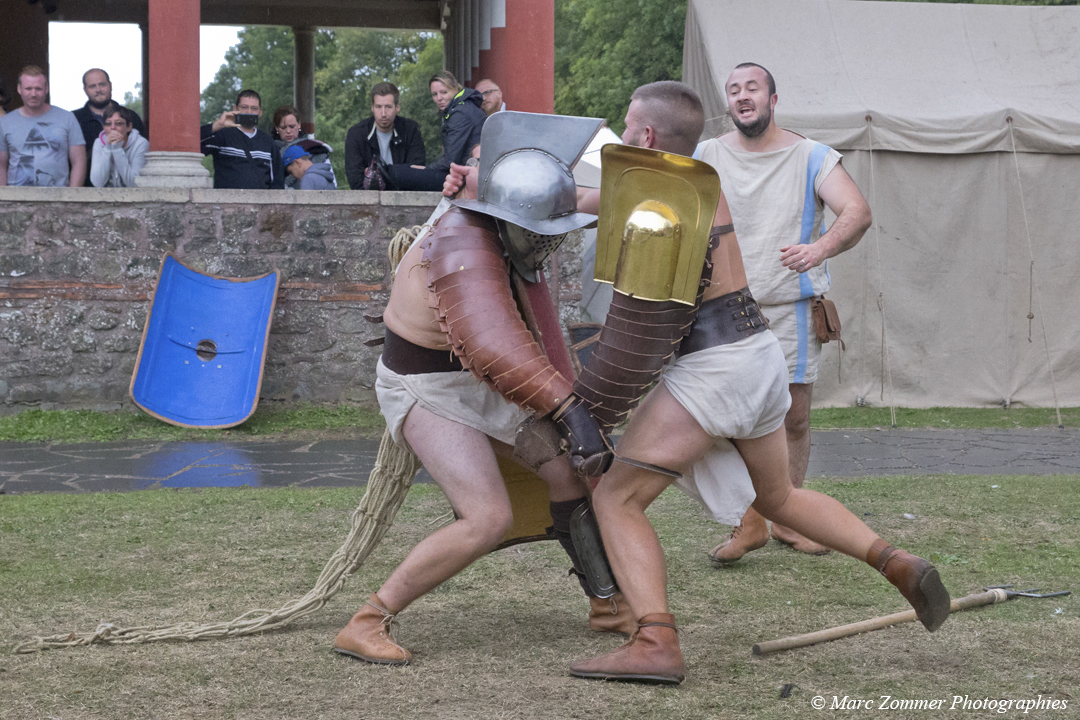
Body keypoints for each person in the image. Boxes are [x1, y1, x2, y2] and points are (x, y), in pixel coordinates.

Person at [557, 81, 949, 685]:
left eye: (629, 126)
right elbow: (585, 196)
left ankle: (655, 642)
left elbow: (578, 202)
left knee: (616, 497)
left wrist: (477, 183)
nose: (624, 134)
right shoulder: (700, 183)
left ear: (648, 136)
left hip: (716, 368)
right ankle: (894, 560)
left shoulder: (659, 189)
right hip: (758, 355)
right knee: (779, 498)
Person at [332, 112, 631, 667]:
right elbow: (498, 347)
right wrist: (574, 415)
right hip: (426, 387)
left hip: (478, 380)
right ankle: (368, 619)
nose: (546, 242)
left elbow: (571, 200)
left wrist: (645, 193)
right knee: (486, 517)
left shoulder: (490, 198)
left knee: (568, 475)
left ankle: (607, 603)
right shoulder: (461, 243)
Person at [699, 63, 873, 564]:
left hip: (788, 306)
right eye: (733, 91)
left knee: (793, 417)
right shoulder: (705, 154)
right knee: (729, 417)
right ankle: (749, 521)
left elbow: (856, 212)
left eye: (751, 88)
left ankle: (788, 521)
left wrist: (819, 249)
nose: (741, 96)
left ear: (773, 99)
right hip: (721, 307)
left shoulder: (812, 155)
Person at [382, 71, 485, 192]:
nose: (439, 98)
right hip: (464, 173)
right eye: (434, 94)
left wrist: (426, 169)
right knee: (404, 171)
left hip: (464, 178)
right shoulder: (464, 107)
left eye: (444, 92)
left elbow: (449, 161)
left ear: (455, 88)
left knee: (397, 174)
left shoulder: (460, 114)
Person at [0, 66, 85, 187]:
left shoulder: (67, 118)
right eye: (28, 88)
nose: (33, 94)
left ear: (46, 89)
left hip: (59, 198)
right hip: (16, 198)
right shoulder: (5, 122)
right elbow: (1, 166)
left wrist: (71, 198)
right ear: (19, 89)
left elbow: (79, 162)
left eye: (38, 89)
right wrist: (3, 200)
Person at [344, 82, 425, 190]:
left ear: (397, 108)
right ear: (372, 107)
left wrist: (375, 173)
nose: (383, 113)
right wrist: (401, 172)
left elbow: (417, 174)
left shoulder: (411, 130)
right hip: (368, 201)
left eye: (388, 107)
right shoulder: (356, 134)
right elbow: (355, 181)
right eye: (378, 107)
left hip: (404, 198)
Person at [74, 68, 147, 184]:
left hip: (130, 191)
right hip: (85, 191)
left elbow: (142, 157)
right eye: (92, 86)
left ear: (110, 85)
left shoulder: (131, 117)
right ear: (85, 90)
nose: (98, 90)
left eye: (102, 84)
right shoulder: (74, 119)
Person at [200, 89, 284, 190]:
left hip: (260, 204)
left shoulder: (268, 142)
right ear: (235, 108)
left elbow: (277, 181)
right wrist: (216, 125)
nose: (249, 112)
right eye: (244, 107)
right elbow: (190, 146)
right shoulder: (222, 135)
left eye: (254, 108)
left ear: (260, 112)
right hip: (227, 203)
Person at [272, 105, 337, 190]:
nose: (288, 131)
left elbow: (333, 183)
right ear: (277, 128)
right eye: (283, 127)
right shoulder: (269, 151)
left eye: (292, 126)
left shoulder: (317, 149)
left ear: (299, 124)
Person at [89, 104, 148, 188]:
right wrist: (108, 148)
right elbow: (97, 183)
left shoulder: (140, 144)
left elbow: (135, 184)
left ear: (129, 127)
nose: (113, 128)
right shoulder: (98, 143)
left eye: (119, 123)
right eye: (108, 124)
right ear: (104, 128)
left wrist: (117, 149)